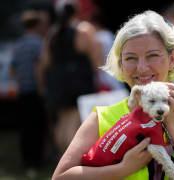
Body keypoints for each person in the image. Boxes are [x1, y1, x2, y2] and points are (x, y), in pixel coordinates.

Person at [52, 10, 174, 180]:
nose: (141, 67)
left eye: (153, 55)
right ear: (121, 65)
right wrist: (122, 169)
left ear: (172, 59)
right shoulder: (101, 118)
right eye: (131, 58)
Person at [39, 0, 102, 155]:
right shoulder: (84, 29)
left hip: (57, 81)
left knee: (62, 121)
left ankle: (62, 158)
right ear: (76, 12)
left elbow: (45, 61)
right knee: (74, 122)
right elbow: (95, 58)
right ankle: (70, 160)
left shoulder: (53, 32)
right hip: (78, 80)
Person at [10, 9, 50, 175]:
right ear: (38, 25)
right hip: (36, 92)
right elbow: (38, 68)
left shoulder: (18, 44)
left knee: (25, 128)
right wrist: (42, 89)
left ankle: (27, 161)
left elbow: (12, 69)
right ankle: (37, 161)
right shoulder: (39, 43)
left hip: (22, 92)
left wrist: (20, 83)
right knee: (38, 127)